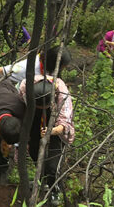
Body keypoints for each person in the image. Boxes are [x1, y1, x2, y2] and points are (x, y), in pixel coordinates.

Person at [19, 76, 74, 205]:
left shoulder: (62, 94)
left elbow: (65, 121)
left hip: (55, 127)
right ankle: (43, 179)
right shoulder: (25, 88)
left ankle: (55, 189)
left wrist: (52, 131)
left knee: (53, 165)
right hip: (34, 121)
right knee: (33, 151)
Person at [0, 46, 72, 84]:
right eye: (62, 66)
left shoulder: (49, 68)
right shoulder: (27, 67)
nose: (64, 68)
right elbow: (3, 71)